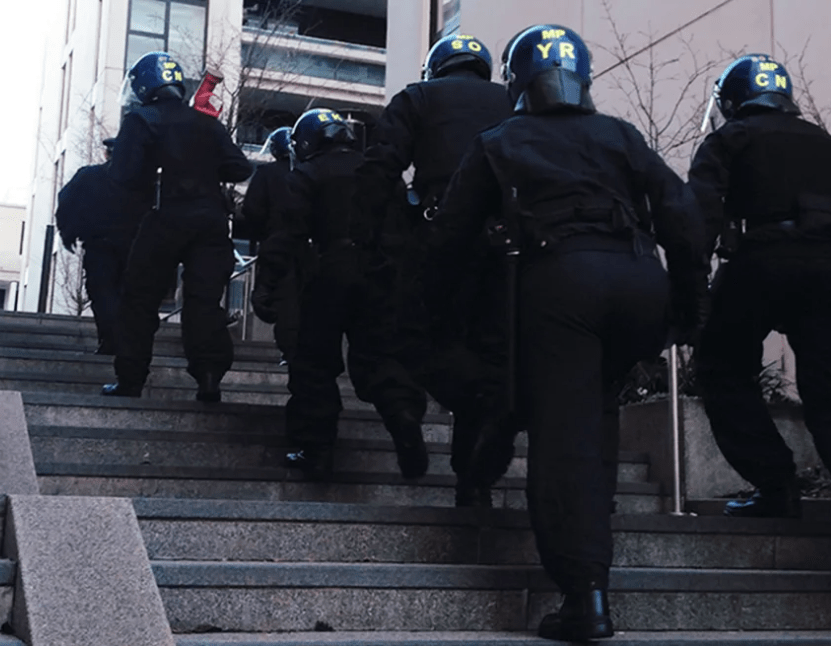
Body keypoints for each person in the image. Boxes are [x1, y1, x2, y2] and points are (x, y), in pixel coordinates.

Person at [422, 25, 707, 641]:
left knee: (564, 435)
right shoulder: (619, 135)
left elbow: (448, 243)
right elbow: (682, 212)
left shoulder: (499, 141)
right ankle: (593, 520)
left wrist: (437, 326)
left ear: (516, 80)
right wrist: (688, 306)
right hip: (638, 282)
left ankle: (585, 597)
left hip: (561, 286)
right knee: (593, 407)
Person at [356, 33, 512, 507]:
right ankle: (473, 479)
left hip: (437, 233)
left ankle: (405, 411)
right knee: (488, 354)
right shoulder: (513, 101)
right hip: (505, 245)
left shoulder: (417, 97)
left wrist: (368, 235)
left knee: (408, 338)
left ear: (436, 67)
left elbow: (381, 164)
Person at [689, 54, 831, 519]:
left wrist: (689, 287)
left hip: (759, 260)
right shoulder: (823, 140)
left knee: (721, 365)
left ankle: (775, 484)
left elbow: (701, 214)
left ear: (734, 100)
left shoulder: (729, 138)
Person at [257, 108, 428, 481]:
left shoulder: (308, 173)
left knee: (314, 362)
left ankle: (316, 450)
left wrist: (267, 283)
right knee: (380, 358)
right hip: (381, 272)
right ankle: (404, 416)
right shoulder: (381, 173)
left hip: (330, 268)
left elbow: (287, 233)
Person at [101, 51, 252, 401]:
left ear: (144, 85)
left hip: (165, 217)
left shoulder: (143, 118)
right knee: (204, 301)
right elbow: (240, 169)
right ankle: (210, 376)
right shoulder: (206, 122)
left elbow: (123, 176)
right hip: (211, 222)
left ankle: (131, 378)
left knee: (139, 298)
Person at [55, 138, 149, 354]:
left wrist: (69, 232)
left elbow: (66, 202)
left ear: (107, 155)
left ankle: (111, 338)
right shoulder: (142, 182)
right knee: (124, 294)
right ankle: (119, 340)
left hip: (100, 245)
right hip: (132, 247)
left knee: (102, 293)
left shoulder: (89, 176)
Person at [240, 126, 300, 365]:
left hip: (275, 243)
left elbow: (251, 209)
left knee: (275, 296)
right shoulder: (309, 171)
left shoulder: (267, 174)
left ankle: (288, 347)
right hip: (308, 245)